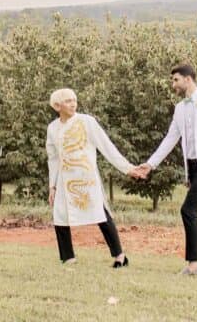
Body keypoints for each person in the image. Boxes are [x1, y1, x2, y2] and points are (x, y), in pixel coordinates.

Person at [136, 64, 197, 275]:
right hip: (192, 166)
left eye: (175, 80)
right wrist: (151, 163)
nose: (173, 85)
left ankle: (193, 265)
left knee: (188, 210)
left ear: (188, 79)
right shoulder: (180, 108)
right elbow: (171, 138)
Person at [46, 87, 138, 266]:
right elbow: (53, 158)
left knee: (101, 214)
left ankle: (120, 256)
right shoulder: (53, 128)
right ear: (57, 106)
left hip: (86, 177)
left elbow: (106, 146)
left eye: (74, 99)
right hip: (64, 180)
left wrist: (127, 168)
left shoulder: (87, 121)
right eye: (68, 101)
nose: (73, 104)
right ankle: (68, 257)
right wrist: (52, 185)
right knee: (60, 216)